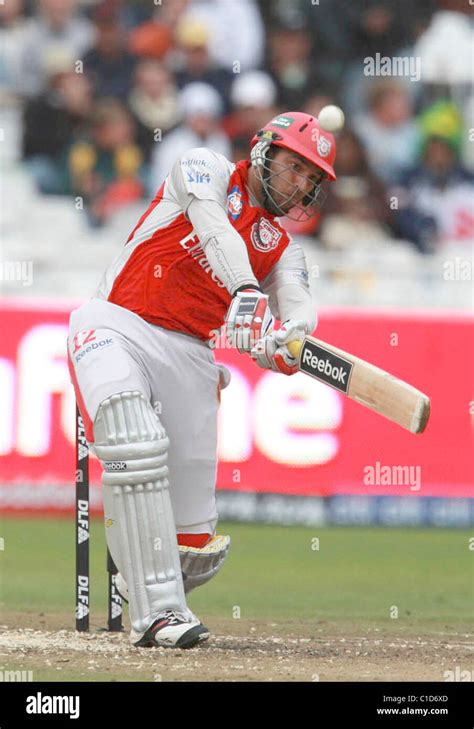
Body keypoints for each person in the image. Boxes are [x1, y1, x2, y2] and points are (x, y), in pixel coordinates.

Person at [67, 111, 337, 649]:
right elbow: (214, 227)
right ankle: (159, 615)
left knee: (193, 543)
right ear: (263, 150)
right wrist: (244, 291)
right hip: (117, 323)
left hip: (191, 356)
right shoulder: (203, 167)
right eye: (295, 167)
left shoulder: (284, 249)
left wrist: (284, 345)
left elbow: (299, 313)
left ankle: (147, 583)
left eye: (312, 180)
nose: (300, 184)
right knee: (133, 439)